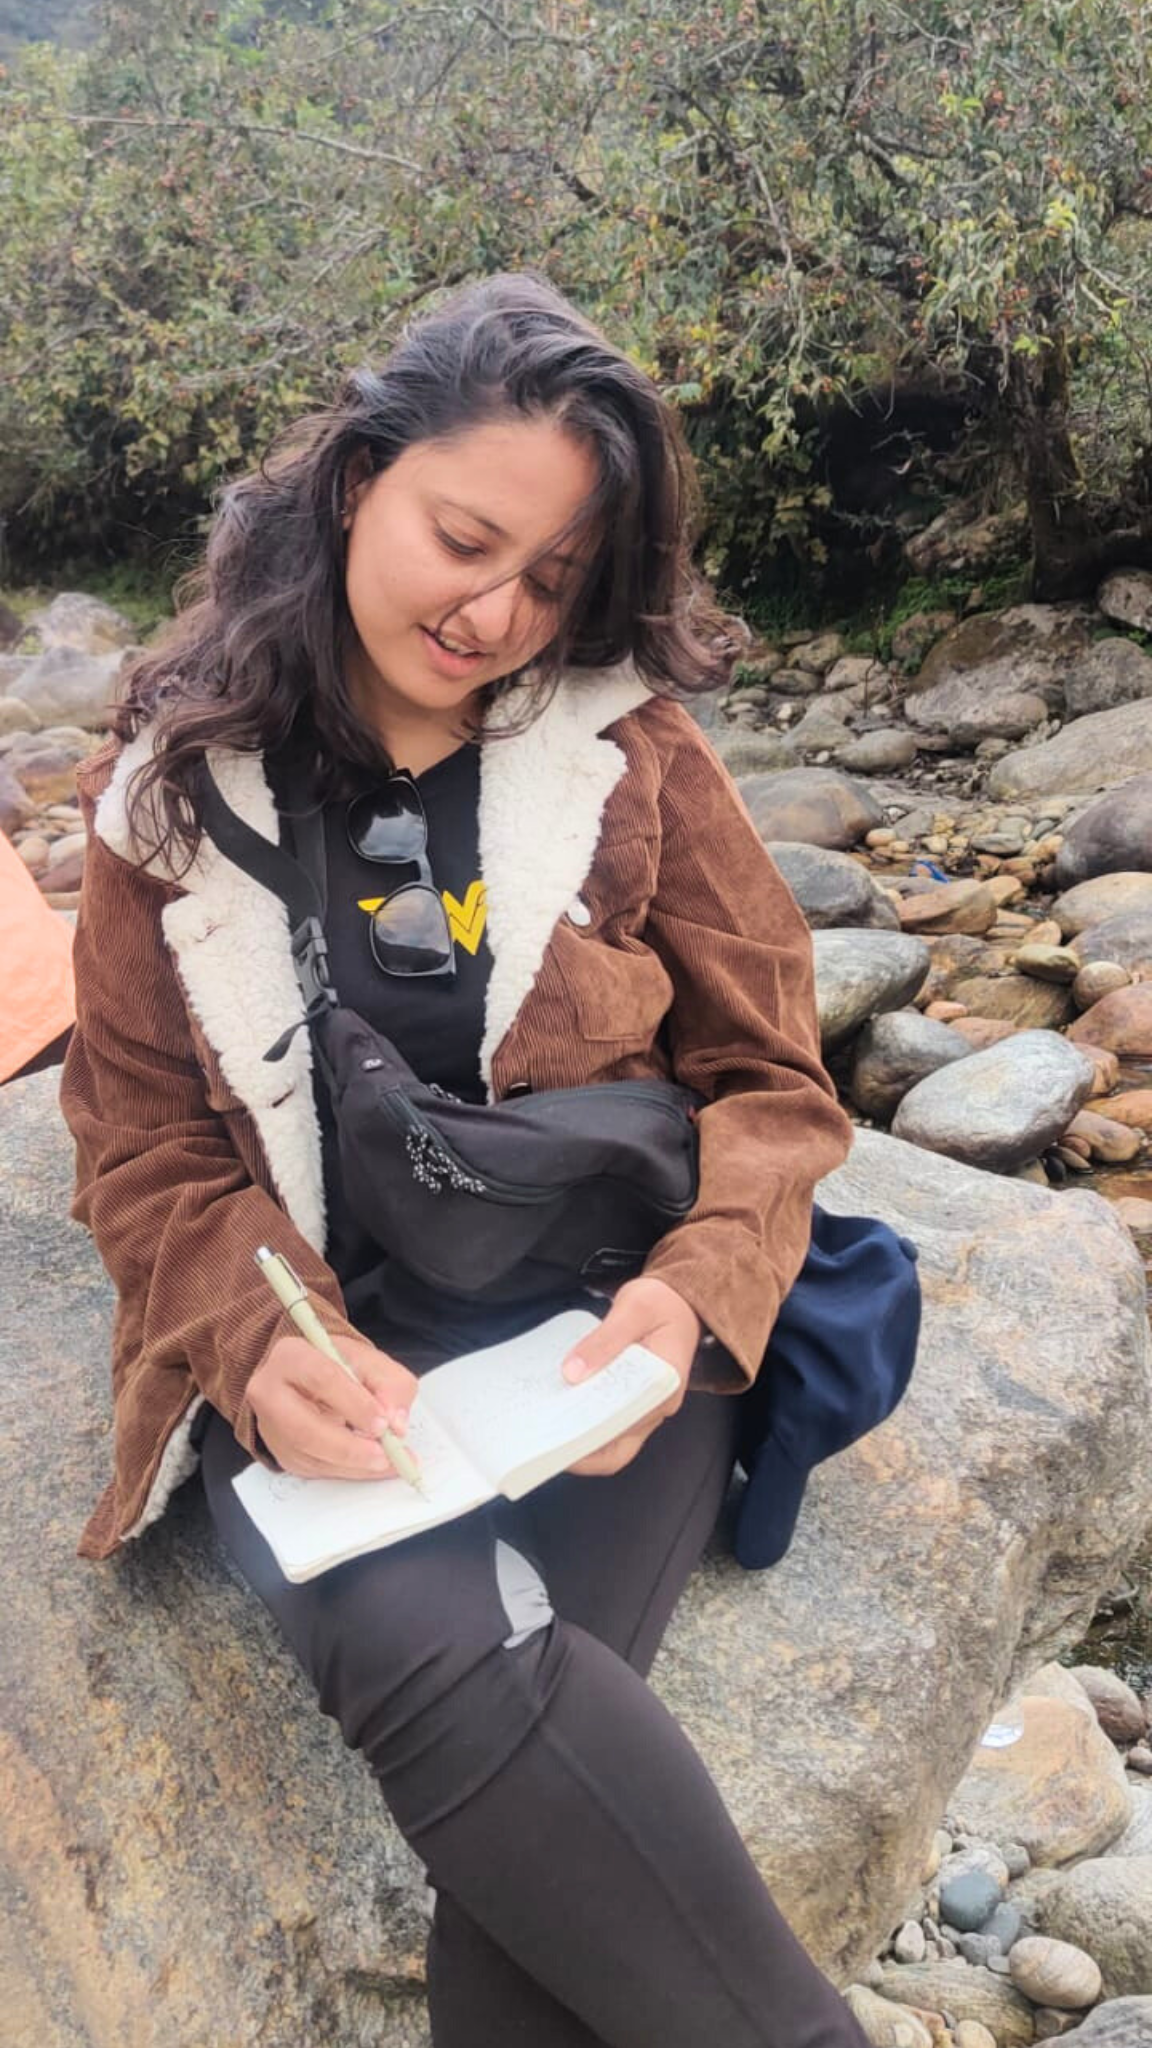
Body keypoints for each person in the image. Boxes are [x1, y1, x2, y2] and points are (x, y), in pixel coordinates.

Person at [60, 273, 867, 2048]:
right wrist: (257, 1346)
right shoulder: (178, 785)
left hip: (600, 1325)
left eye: (554, 579)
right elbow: (141, 1145)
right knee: (436, 1654)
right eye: (464, 540)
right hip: (337, 1334)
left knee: (525, 1797)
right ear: (361, 479)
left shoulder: (628, 752)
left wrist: (691, 1296)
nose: (496, 613)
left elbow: (774, 1081)